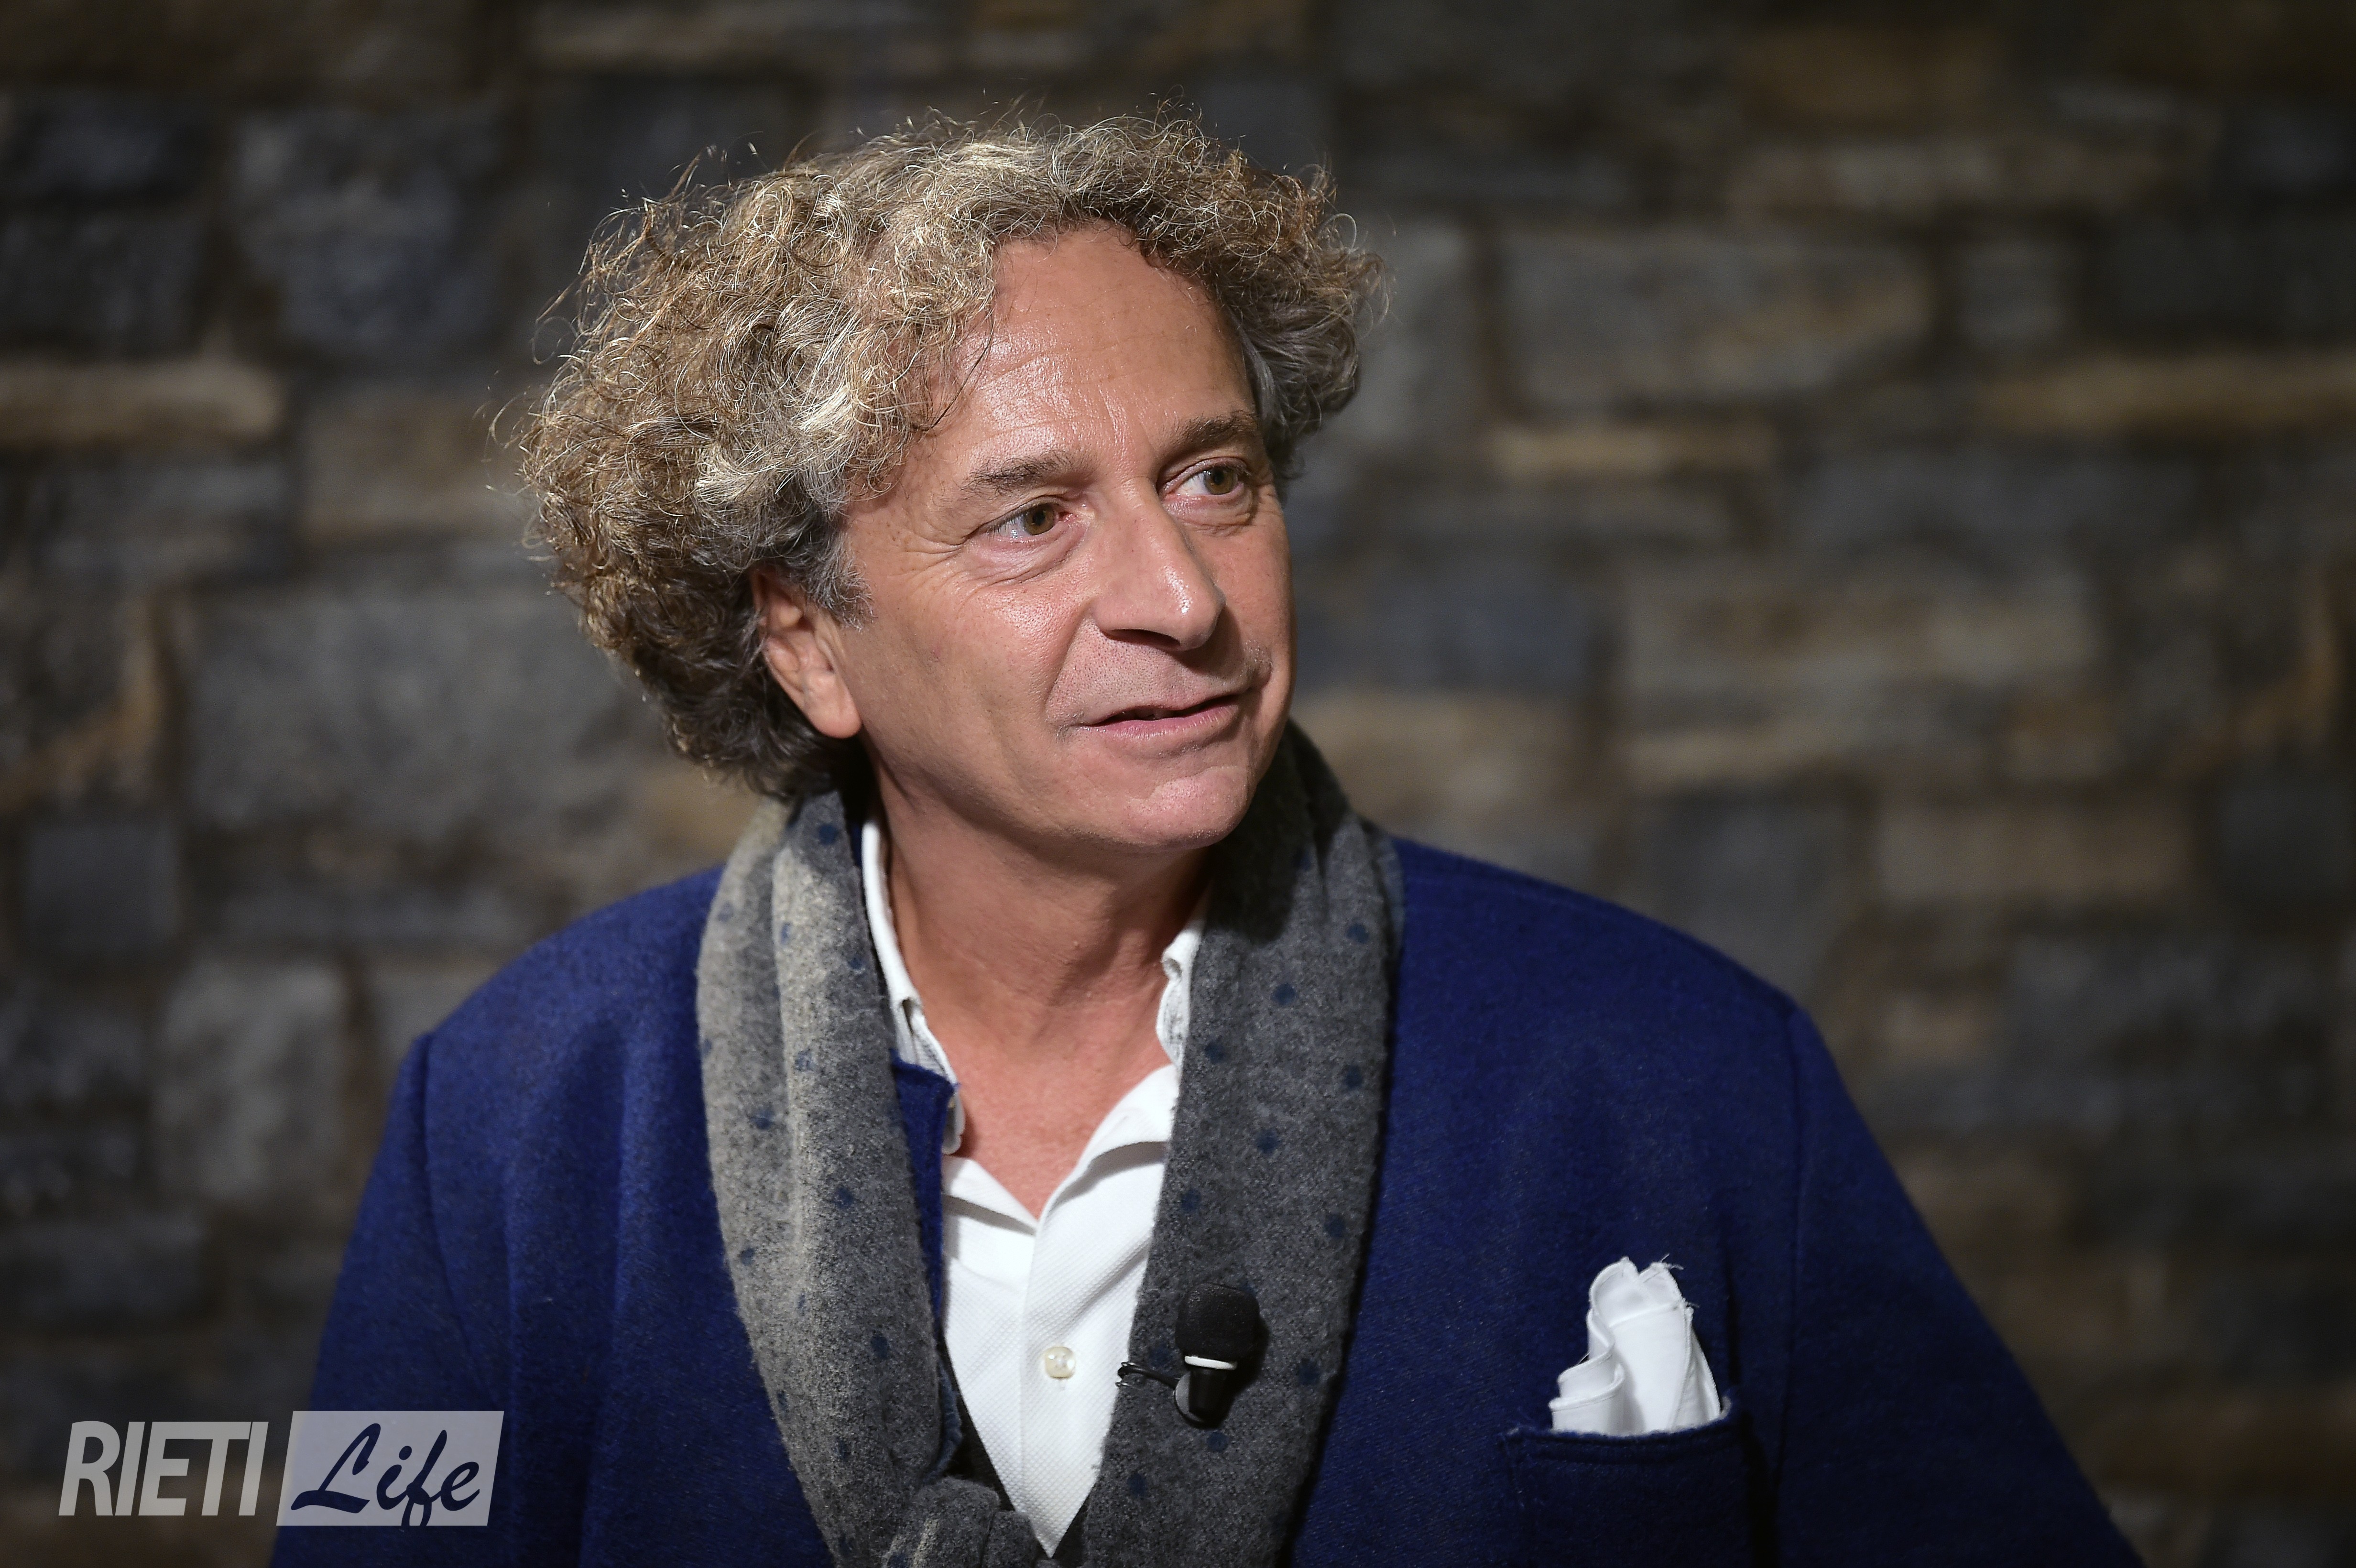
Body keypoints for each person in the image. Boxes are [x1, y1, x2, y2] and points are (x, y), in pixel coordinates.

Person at [279, 117, 2137, 1567]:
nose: (1181, 597)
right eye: (1031, 517)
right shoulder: (506, 1122)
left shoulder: (1688, 1077)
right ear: (808, 639)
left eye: (1215, 478)